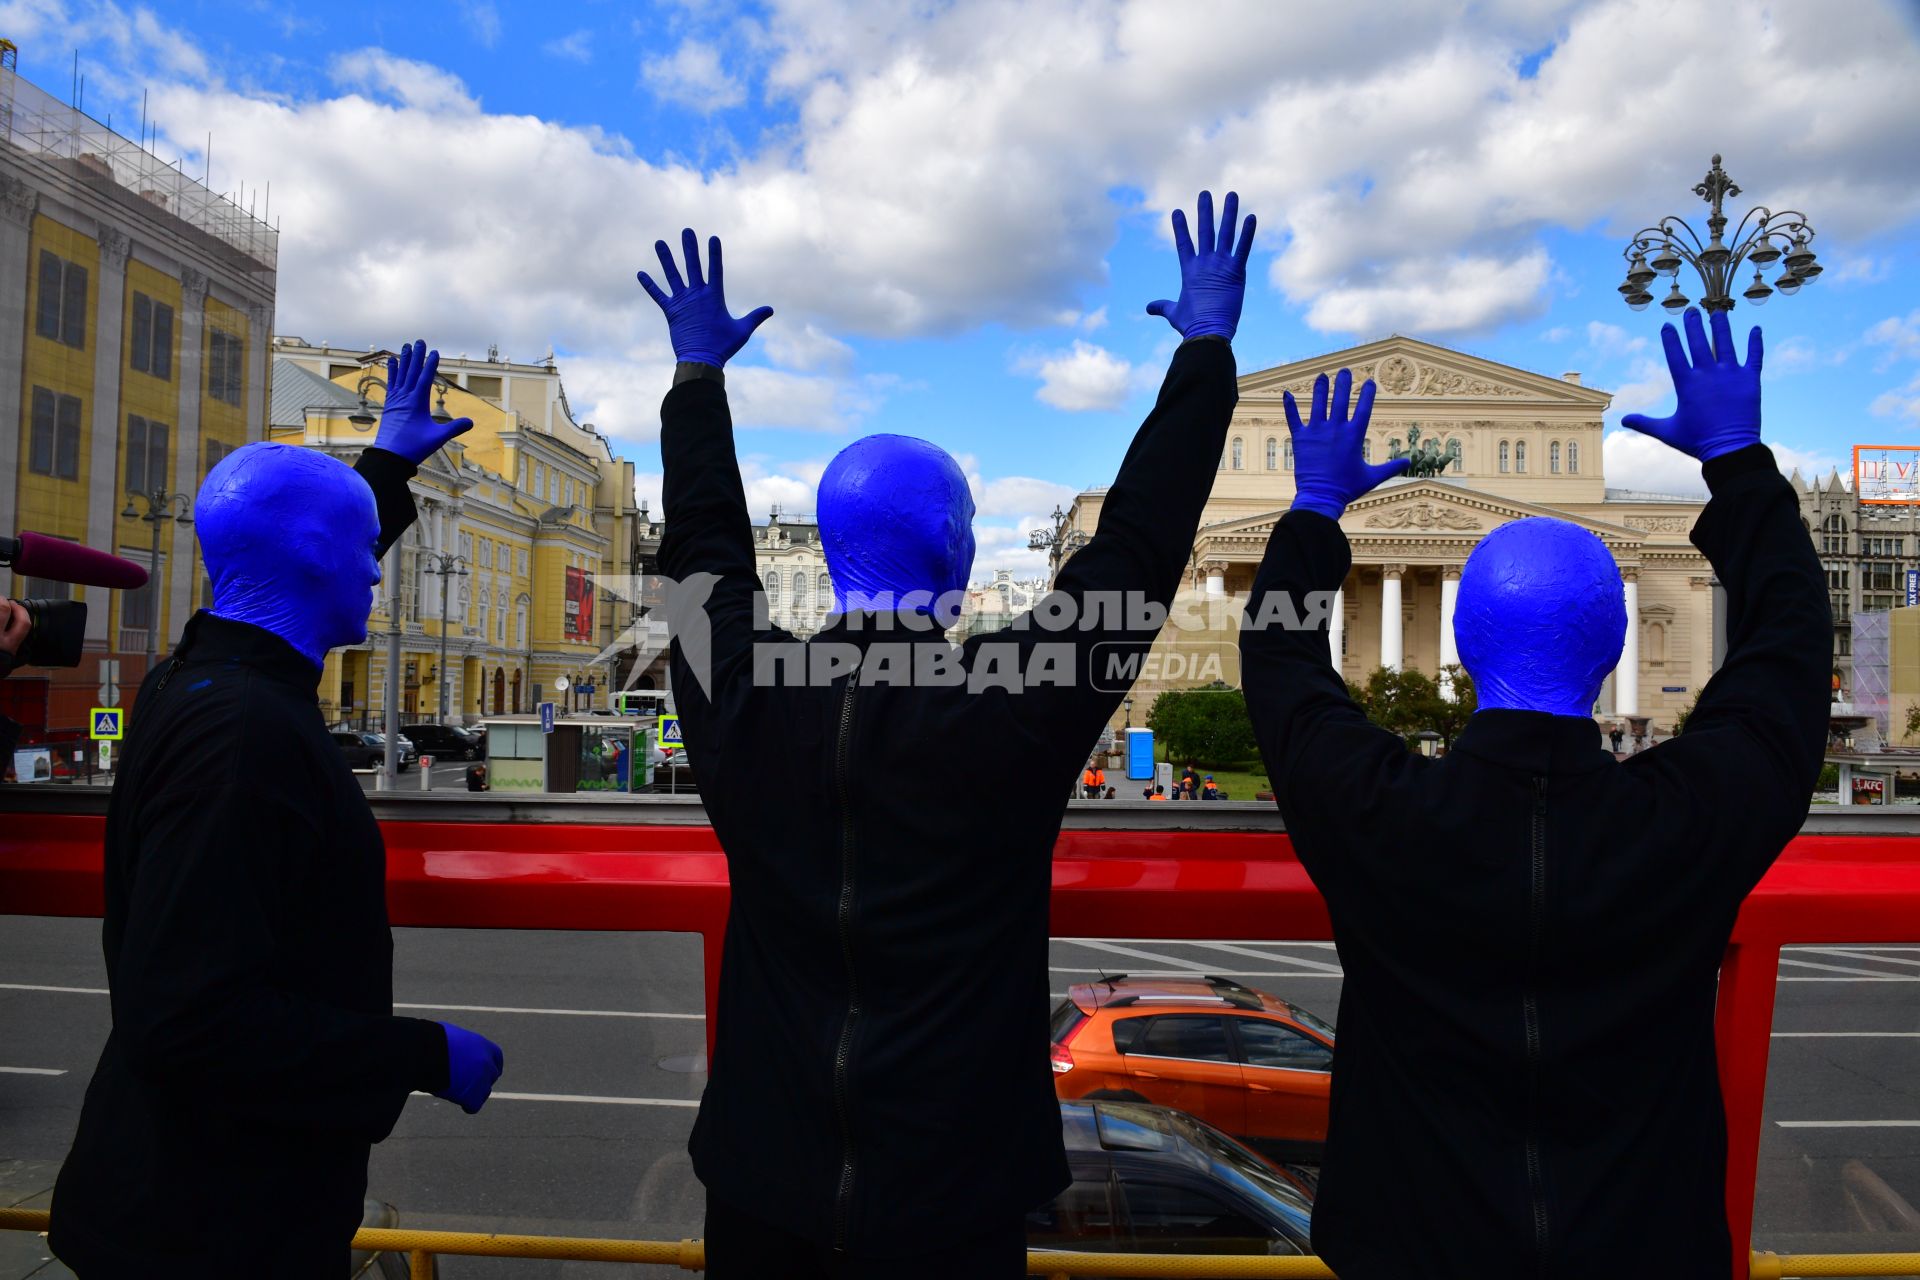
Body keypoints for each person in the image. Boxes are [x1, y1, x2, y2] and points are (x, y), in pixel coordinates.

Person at [647, 189, 1253, 1278]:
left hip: (763, 1181)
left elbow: (699, 555)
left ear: (834, 551)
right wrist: (1204, 353)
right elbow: (1137, 551)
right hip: (951, 1190)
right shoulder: (1008, 695)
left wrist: (699, 379)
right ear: (953, 546)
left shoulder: (745, 687)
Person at [1237, 309, 1827, 1277]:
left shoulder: (1380, 814)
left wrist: (1312, 510)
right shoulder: (1686, 819)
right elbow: (1791, 657)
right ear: (1612, 651)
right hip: (1643, 1248)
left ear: (1465, 651)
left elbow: (1279, 662)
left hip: (1411, 1247)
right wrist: (1738, 460)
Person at [50, 342, 507, 1276]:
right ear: (310, 554)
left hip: (175, 1199)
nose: (379, 576)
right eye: (362, 550)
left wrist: (382, 466)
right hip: (209, 1228)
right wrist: (419, 1054)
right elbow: (187, 1020)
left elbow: (298, 555)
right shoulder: (243, 736)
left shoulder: (199, 673)